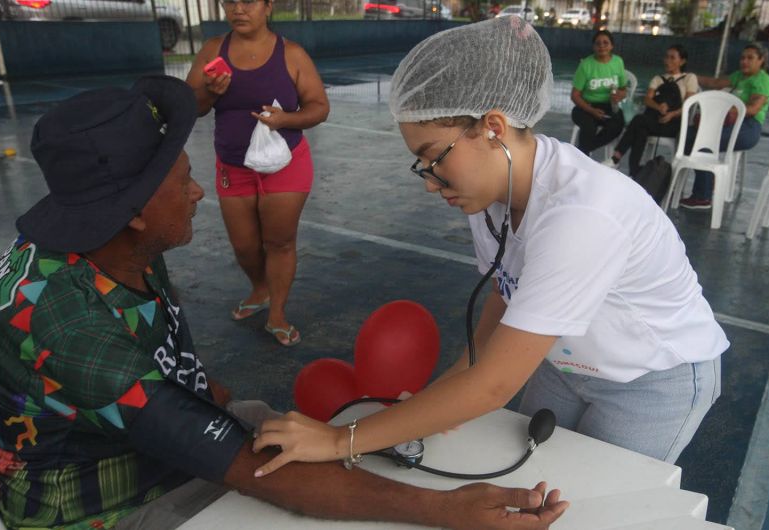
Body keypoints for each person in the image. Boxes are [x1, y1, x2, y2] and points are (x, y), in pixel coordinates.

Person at [0, 76, 567, 530]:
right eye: (182, 182)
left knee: (269, 423)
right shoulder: (67, 322)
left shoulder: (111, 239)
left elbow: (163, 370)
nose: (198, 191)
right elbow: (246, 469)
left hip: (140, 441)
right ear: (132, 213)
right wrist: (445, 510)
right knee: (287, 484)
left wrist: (203, 402)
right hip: (100, 503)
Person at [251, 16, 728, 479]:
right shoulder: (491, 197)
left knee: (603, 500)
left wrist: (340, 440)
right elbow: (504, 298)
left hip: (648, 376)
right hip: (564, 361)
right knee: (532, 476)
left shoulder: (582, 215)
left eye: (433, 157)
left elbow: (495, 384)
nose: (430, 184)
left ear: (494, 127)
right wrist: (444, 393)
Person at [186, 0, 330, 346]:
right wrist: (209, 90)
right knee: (245, 246)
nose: (238, 9)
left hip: (286, 163)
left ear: (268, 6)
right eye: (230, 2)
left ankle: (277, 312)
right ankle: (260, 287)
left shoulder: (291, 54)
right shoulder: (212, 50)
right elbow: (193, 107)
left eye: (248, 1)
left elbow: (319, 106)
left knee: (279, 241)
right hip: (233, 165)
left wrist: (286, 120)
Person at [679, 42, 769, 210]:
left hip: (748, 127)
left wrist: (728, 109)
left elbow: (752, 109)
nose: (744, 61)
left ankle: (703, 196)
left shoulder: (764, 81)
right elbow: (715, 83)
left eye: (750, 58)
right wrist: (689, 76)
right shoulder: (739, 76)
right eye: (743, 58)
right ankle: (710, 180)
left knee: (705, 141)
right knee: (687, 137)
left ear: (761, 60)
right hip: (726, 122)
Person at [605, 44, 698, 176]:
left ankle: (616, 158)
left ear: (682, 61)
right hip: (654, 120)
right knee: (641, 129)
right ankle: (634, 170)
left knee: (638, 121)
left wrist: (672, 114)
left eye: (672, 58)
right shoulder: (657, 79)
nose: (667, 61)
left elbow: (688, 104)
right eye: (666, 57)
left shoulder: (689, 78)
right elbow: (648, 99)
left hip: (674, 123)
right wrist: (658, 107)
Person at [570, 29, 627, 157]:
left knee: (618, 124)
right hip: (586, 106)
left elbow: (624, 89)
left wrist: (619, 95)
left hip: (609, 106)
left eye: (605, 43)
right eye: (598, 43)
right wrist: (591, 110)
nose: (601, 46)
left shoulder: (618, 62)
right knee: (589, 127)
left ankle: (581, 152)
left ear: (612, 46)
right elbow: (575, 95)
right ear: (593, 47)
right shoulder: (586, 65)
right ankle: (583, 157)